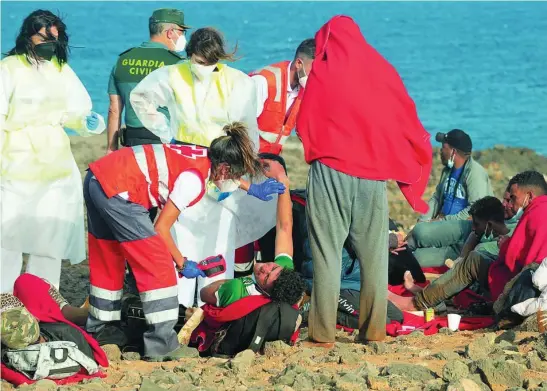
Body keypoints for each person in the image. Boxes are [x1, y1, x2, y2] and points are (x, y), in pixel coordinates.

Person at [84, 122, 283, 361]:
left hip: (98, 177)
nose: (235, 181)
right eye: (236, 175)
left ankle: (101, 330)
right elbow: (161, 228)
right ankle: (162, 345)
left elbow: (225, 176)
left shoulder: (206, 153)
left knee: (108, 256)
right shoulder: (193, 181)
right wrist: (181, 262)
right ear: (223, 168)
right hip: (120, 192)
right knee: (157, 265)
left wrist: (251, 189)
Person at [296, 15, 433, 346]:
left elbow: (305, 121)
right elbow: (401, 112)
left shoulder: (324, 72)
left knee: (327, 253)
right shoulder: (380, 69)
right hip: (371, 175)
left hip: (330, 171)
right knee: (373, 255)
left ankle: (323, 334)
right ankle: (373, 332)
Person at [0, 10, 105, 293]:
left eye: (54, 38)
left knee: (50, 234)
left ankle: (44, 300)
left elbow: (75, 111)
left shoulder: (60, 70)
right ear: (28, 36)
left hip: (56, 165)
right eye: (43, 37)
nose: (49, 43)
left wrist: (87, 123)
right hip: (15, 162)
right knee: (8, 235)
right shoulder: (8, 68)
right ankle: (4, 299)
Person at [390, 171, 547, 312]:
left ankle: (417, 303)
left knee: (473, 261)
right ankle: (425, 297)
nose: (509, 204)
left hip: (521, 290)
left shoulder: (536, 214)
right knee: (472, 259)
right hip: (525, 284)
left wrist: (505, 245)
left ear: (530, 196)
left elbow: (526, 264)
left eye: (513, 198)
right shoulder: (538, 211)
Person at [130, 27, 259, 149]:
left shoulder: (237, 80)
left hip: (221, 152)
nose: (205, 67)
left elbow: (248, 125)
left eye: (211, 63)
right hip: (183, 149)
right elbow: (140, 98)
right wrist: (165, 133)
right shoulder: (173, 74)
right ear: (190, 54)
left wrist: (249, 157)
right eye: (200, 62)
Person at [200, 159, 306, 307]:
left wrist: (232, 283)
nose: (266, 268)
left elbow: (204, 293)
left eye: (266, 277)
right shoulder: (282, 276)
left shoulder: (238, 290)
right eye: (273, 268)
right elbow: (284, 227)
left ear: (267, 294)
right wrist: (282, 179)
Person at [407, 129, 493, 267]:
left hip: (460, 235)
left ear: (453, 152)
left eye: (443, 148)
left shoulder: (474, 173)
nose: (440, 151)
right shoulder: (447, 171)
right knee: (413, 237)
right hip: (442, 227)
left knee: (417, 254)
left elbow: (477, 210)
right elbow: (436, 198)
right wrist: (423, 220)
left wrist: (441, 221)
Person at [106, 9, 188, 152]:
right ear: (170, 32)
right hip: (166, 141)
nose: (183, 37)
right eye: (181, 32)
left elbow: (114, 109)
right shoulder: (177, 64)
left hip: (132, 140)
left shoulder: (123, 60)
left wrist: (111, 148)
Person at [250, 38, 315, 154]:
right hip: (246, 156)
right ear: (299, 64)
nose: (316, 77)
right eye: (313, 71)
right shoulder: (264, 81)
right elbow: (241, 126)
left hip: (269, 156)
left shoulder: (305, 89)